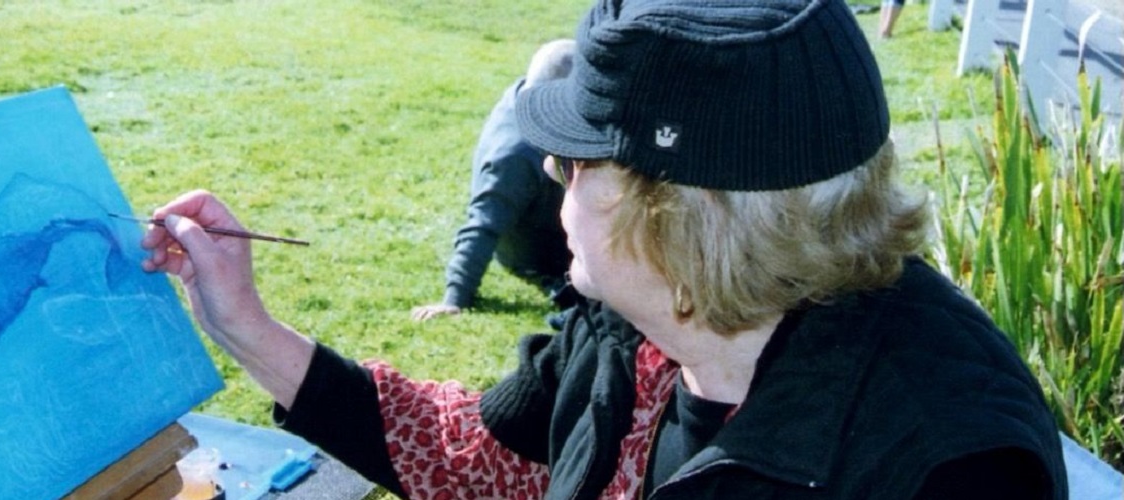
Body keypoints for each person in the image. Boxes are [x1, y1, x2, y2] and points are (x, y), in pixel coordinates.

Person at [140, 0, 1069, 497]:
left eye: (578, 161)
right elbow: (483, 460)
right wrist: (249, 328)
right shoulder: (640, 323)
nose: (550, 169)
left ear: (673, 218)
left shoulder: (946, 465)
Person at [411, 39, 578, 324]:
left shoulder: (522, 92)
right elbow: (484, 223)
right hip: (540, 254)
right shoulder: (516, 156)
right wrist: (455, 298)